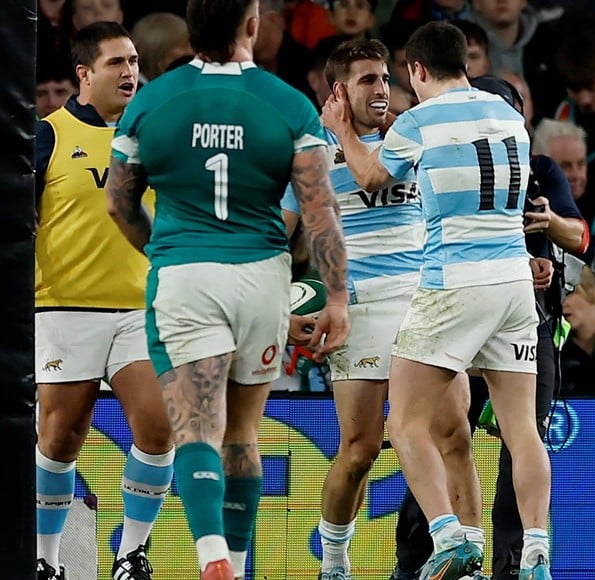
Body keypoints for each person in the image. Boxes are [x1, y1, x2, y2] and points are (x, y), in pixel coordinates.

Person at [106, 2, 350, 580]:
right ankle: (236, 567)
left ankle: (210, 552)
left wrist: (160, 248)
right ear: (251, 26)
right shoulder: (287, 102)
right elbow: (319, 212)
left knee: (196, 427)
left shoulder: (151, 101)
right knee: (242, 433)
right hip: (263, 276)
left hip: (186, 274)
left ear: (193, 31)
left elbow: (118, 202)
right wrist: (337, 298)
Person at [322, 21, 552, 580]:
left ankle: (449, 538)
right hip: (514, 284)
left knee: (406, 425)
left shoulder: (417, 122)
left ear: (417, 71)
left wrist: (342, 134)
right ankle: (536, 552)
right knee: (521, 429)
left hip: (451, 284)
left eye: (396, 77)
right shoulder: (509, 117)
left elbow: (374, 177)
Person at [283, 38, 476, 580]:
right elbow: (280, 235)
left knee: (454, 432)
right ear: (338, 91)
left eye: (386, 78)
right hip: (360, 308)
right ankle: (337, 563)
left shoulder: (412, 134)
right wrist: (279, 304)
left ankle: (468, 558)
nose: (383, 89)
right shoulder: (312, 151)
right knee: (360, 448)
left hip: (424, 302)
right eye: (368, 80)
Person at [35, 22, 174, 580]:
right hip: (64, 308)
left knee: (160, 425)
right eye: (116, 62)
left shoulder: (158, 137)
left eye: (135, 60)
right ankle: (46, 561)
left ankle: (131, 553)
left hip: (140, 310)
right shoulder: (46, 136)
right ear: (84, 74)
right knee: (61, 438)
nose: (130, 71)